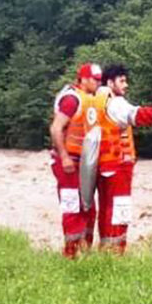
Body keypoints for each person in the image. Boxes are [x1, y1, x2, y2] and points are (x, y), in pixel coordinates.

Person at [94, 65, 152, 254]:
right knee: (119, 210)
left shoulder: (97, 101)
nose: (126, 85)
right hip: (119, 164)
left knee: (107, 209)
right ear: (110, 83)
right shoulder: (116, 103)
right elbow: (139, 116)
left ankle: (105, 250)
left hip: (104, 165)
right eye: (122, 81)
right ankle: (116, 253)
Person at [48, 62, 106, 258]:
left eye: (100, 80)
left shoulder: (90, 99)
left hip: (83, 162)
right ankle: (71, 253)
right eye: (95, 80)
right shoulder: (72, 100)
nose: (98, 83)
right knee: (73, 207)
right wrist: (64, 157)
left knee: (88, 206)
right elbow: (56, 128)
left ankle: (85, 250)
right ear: (84, 79)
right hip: (68, 161)